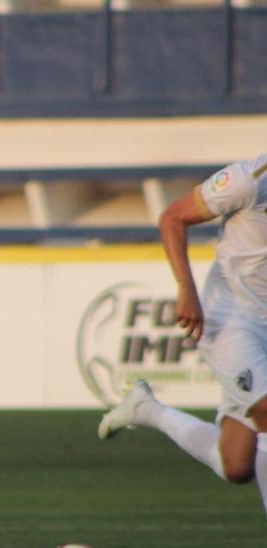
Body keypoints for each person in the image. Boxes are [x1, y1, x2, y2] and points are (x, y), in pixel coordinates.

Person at [99, 155, 267, 519]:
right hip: (232, 318)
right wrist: (185, 289)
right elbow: (172, 217)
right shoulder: (248, 180)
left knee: (236, 464)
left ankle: (148, 410)